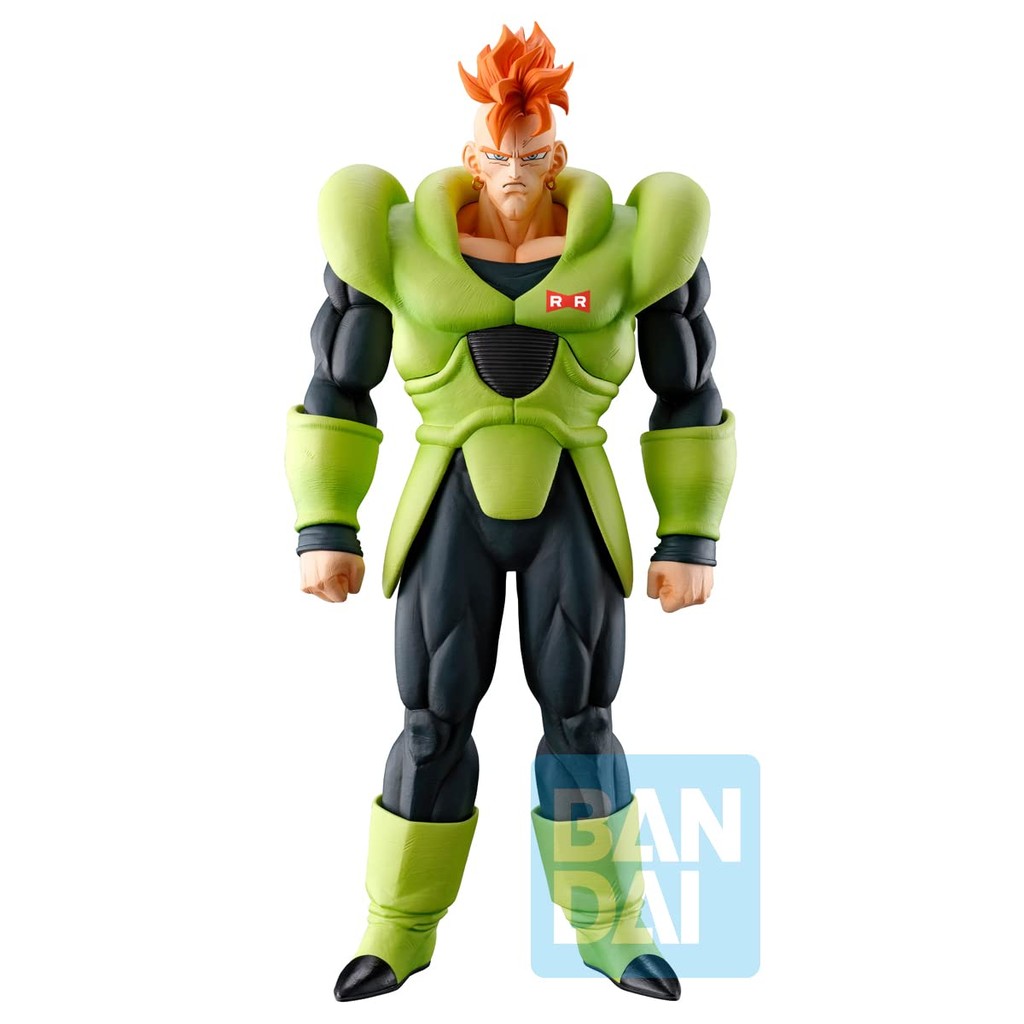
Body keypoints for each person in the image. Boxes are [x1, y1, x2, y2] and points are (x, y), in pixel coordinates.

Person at [284, 24, 736, 1002]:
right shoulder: (393, 243)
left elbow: (689, 386)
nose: (517, 174)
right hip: (447, 497)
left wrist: (689, 534)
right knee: (431, 719)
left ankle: (610, 928)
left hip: (573, 496)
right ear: (472, 156)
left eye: (533, 158)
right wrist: (326, 522)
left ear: (557, 157)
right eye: (501, 157)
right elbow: (338, 380)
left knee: (583, 715)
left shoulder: (633, 246)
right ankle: (396, 929)